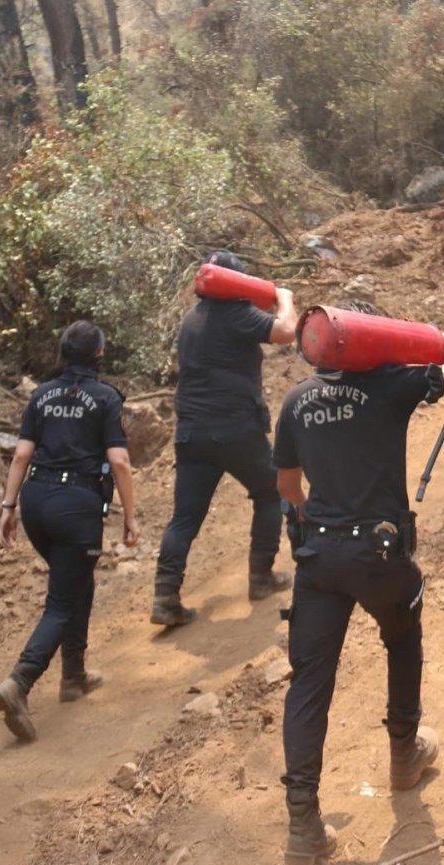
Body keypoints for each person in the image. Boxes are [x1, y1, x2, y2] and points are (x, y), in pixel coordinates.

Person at [272, 305, 444, 865]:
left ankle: (303, 828)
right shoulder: (393, 385)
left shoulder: (297, 402)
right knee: (402, 637)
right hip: (380, 553)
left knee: (310, 684)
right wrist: (434, 335)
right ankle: (403, 754)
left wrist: (317, 517)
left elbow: (288, 486)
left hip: (318, 557)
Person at [0, 321, 138, 742]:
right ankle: (20, 681)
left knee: (76, 583)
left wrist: (8, 508)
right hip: (77, 504)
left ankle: (73, 675)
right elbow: (121, 462)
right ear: (100, 355)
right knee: (62, 600)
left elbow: (21, 455)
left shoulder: (41, 395)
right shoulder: (106, 397)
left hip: (36, 502)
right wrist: (130, 516)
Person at [150, 250, 298, 626]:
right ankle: (261, 576)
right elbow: (285, 332)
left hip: (191, 432)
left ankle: (165, 597)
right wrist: (285, 299)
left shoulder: (191, 319)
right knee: (271, 490)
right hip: (234, 428)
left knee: (185, 517)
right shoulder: (237, 314)